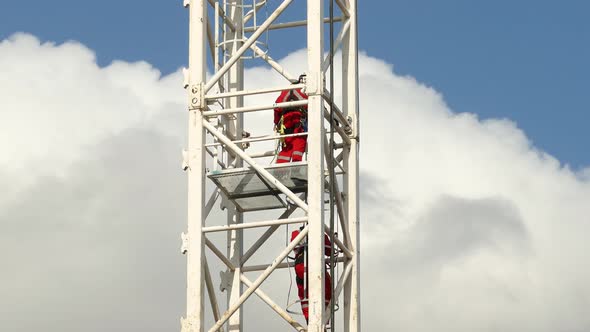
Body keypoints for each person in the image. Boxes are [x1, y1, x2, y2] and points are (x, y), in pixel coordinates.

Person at [290, 226, 333, 324]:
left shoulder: (297, 233)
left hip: (303, 265)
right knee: (324, 288)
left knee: (305, 291)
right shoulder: (318, 232)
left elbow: (294, 246)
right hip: (311, 264)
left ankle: (312, 320)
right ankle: (320, 320)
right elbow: (329, 250)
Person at [274, 74, 308, 163]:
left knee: (287, 146)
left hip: (285, 122)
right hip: (298, 119)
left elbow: (277, 107)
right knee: (299, 142)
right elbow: (312, 105)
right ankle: (296, 168)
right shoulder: (304, 91)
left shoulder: (285, 91)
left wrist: (276, 122)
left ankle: (280, 169)